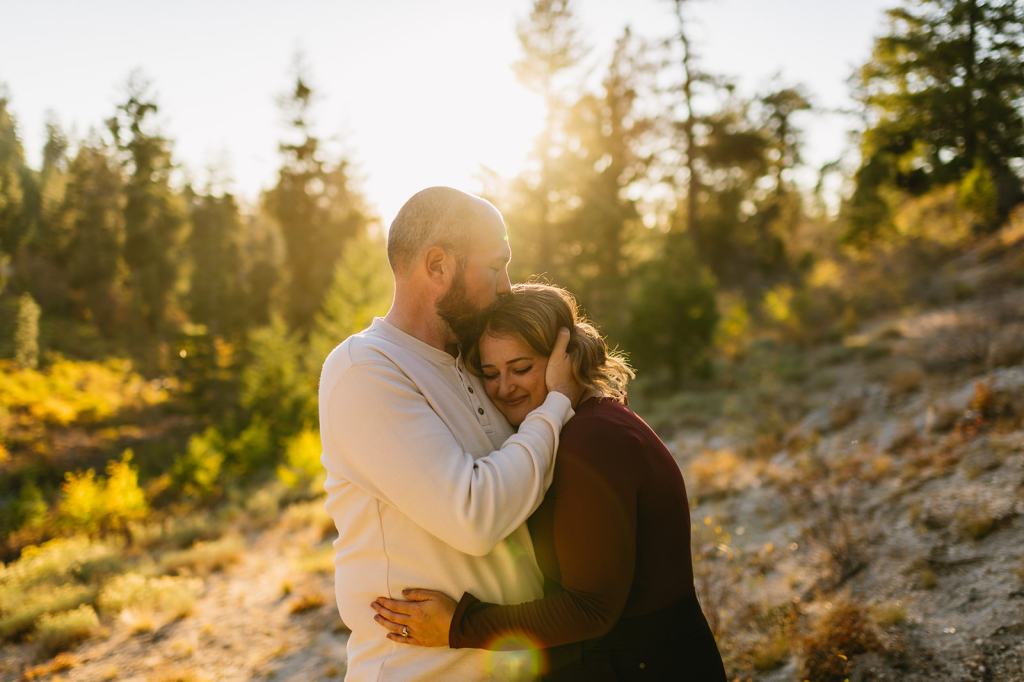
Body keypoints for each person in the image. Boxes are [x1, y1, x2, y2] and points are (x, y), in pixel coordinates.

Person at [370, 283, 727, 681]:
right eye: (490, 374)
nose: (504, 388)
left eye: (521, 368)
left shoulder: (591, 442)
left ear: (565, 359)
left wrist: (459, 625)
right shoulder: (587, 425)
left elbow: (591, 609)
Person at [319, 188, 584, 680]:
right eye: (495, 266)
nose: (507, 286)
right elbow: (474, 515)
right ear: (438, 265)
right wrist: (557, 403)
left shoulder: (474, 364)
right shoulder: (365, 370)